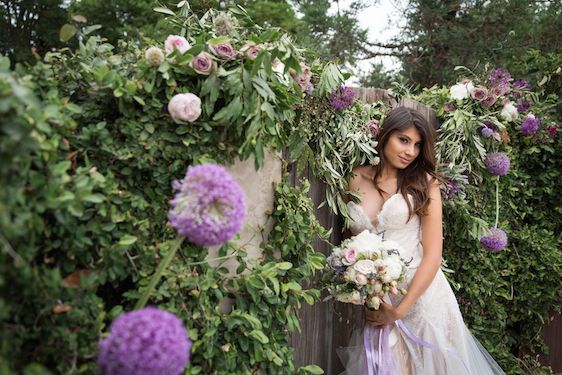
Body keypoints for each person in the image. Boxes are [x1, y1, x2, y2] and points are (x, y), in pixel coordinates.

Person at [339, 107, 504, 374]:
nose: (410, 151)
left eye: (417, 145)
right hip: (381, 300)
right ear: (384, 136)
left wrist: (401, 310)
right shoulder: (354, 178)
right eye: (403, 140)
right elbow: (350, 244)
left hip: (423, 299)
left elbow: (433, 255)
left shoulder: (425, 183)